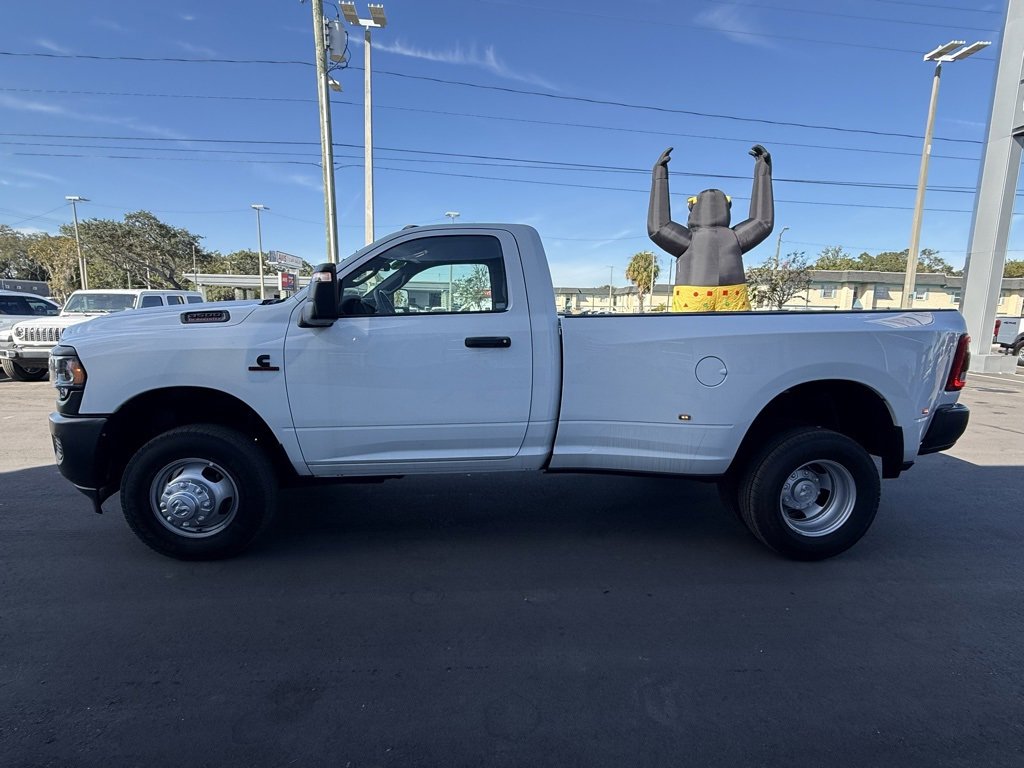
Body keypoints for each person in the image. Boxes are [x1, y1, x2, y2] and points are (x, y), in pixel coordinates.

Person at [647, 144, 774, 312]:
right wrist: (763, 172)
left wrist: (659, 176)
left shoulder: (689, 239)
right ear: (727, 207)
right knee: (736, 329)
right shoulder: (735, 237)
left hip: (693, 297)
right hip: (733, 296)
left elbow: (658, 227)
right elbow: (762, 221)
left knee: (690, 329)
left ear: (693, 208)